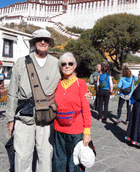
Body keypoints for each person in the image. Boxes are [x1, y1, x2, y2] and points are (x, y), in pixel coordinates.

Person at [6, 29, 92, 172]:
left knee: (45, 155)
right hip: (23, 116)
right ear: (34, 42)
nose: (43, 42)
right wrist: (10, 119)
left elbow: (68, 80)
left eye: (46, 40)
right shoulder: (21, 62)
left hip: (46, 118)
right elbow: (12, 93)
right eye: (39, 39)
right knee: (22, 155)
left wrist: (84, 92)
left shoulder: (56, 63)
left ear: (50, 43)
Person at [52, 52, 91, 172]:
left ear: (75, 66)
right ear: (60, 66)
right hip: (59, 130)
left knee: (74, 164)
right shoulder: (56, 84)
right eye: (63, 64)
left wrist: (87, 132)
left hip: (76, 131)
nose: (67, 66)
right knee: (59, 162)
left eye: (70, 63)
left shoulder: (81, 84)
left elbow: (86, 109)